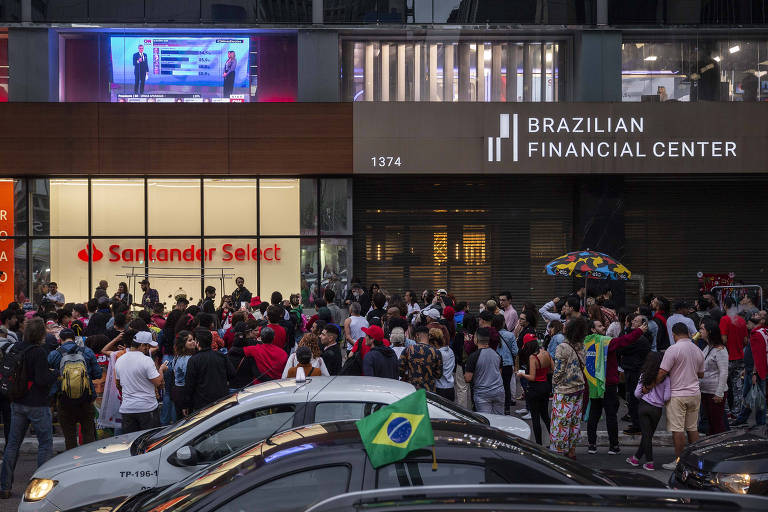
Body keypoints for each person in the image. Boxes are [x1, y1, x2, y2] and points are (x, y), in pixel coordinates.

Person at [0, 317, 57, 499]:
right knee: (45, 444)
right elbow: (41, 380)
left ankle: (5, 486)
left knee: (13, 444)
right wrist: (55, 374)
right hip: (37, 404)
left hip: (17, 401)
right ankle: (40, 487)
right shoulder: (38, 352)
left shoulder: (15, 347)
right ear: (40, 333)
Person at [586, 317, 647, 455]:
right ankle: (613, 446)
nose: (603, 327)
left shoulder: (587, 342)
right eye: (600, 325)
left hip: (594, 384)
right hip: (608, 384)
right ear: (593, 329)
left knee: (594, 415)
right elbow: (623, 341)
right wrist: (639, 331)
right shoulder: (605, 342)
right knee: (611, 415)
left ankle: (592, 445)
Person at [650, 322, 705, 470]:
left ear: (674, 335)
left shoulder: (673, 349)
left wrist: (650, 386)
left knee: (678, 430)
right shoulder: (697, 350)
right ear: (687, 333)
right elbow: (701, 374)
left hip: (678, 395)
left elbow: (662, 372)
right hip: (694, 393)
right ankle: (694, 461)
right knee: (692, 429)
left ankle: (680, 462)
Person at [47, 328, 102, 450]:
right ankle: (88, 463)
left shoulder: (54, 354)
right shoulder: (87, 352)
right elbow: (98, 374)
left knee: (70, 437)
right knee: (88, 435)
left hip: (64, 400)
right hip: (86, 398)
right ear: (75, 338)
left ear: (60, 340)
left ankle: (72, 464)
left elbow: (48, 376)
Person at [114, 331, 166, 433]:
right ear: (142, 345)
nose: (149, 348)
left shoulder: (120, 360)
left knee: (132, 443)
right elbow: (158, 383)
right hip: (147, 408)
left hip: (127, 409)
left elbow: (118, 384)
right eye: (148, 346)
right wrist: (161, 370)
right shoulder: (146, 360)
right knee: (150, 442)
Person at [550, 317, 587, 459]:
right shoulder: (581, 346)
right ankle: (572, 452)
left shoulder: (563, 347)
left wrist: (554, 384)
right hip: (579, 388)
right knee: (574, 422)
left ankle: (558, 454)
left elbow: (558, 370)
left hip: (564, 390)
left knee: (561, 423)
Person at [626, 352, 670, 471]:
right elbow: (667, 397)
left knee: (646, 435)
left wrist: (643, 396)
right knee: (648, 435)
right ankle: (636, 458)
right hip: (657, 410)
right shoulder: (666, 379)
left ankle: (649, 462)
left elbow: (636, 393)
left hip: (644, 406)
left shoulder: (644, 375)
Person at [183, 328, 235, 413]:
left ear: (198, 343)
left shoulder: (194, 360)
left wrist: (186, 404)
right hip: (221, 399)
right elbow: (232, 374)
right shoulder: (221, 356)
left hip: (202, 403)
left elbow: (190, 384)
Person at [734, 314, 766, 427]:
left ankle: (760, 422)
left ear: (753, 323)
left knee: (758, 396)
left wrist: (754, 373)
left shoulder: (756, 334)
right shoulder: (763, 331)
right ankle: (742, 417)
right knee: (748, 394)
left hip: (755, 371)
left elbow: (758, 355)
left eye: (748, 323)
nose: (747, 325)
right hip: (751, 369)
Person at [518, 337, 551, 445]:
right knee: (545, 416)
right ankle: (555, 441)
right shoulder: (546, 353)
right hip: (545, 386)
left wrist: (522, 374)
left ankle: (538, 444)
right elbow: (552, 369)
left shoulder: (533, 357)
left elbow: (532, 377)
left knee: (535, 418)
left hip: (535, 388)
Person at [464, 327, 505, 415]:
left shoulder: (473, 356)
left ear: (476, 339)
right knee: (500, 420)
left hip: (482, 394)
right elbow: (499, 374)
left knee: (487, 421)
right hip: (499, 392)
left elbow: (468, 378)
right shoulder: (497, 355)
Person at [698, 317, 729, 435]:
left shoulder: (720, 350)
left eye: (702, 329)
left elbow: (724, 372)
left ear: (709, 331)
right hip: (705, 391)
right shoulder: (708, 347)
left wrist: (719, 393)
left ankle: (720, 449)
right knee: (710, 423)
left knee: (717, 424)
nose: (700, 331)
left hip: (715, 392)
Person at [720, 297, 748, 419]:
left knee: (724, 386)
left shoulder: (724, 319)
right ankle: (737, 413)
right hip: (740, 358)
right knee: (737, 386)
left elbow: (724, 339)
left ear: (725, 305)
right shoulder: (742, 321)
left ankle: (726, 413)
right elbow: (746, 341)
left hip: (727, 358)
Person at [399, 326, 443, 390]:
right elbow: (439, 375)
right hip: (429, 391)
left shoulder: (408, 350)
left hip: (412, 390)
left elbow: (400, 370)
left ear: (417, 335)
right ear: (428, 336)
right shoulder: (436, 352)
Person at [493, 314, 518, 414]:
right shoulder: (510, 335)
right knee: (506, 386)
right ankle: (507, 408)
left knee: (496, 386)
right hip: (508, 364)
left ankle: (497, 407)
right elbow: (515, 351)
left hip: (495, 364)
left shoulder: (492, 335)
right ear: (503, 323)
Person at [169, 330, 196, 417]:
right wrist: (186, 403)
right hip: (184, 392)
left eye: (193, 339)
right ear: (183, 344)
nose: (193, 342)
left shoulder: (178, 356)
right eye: (190, 340)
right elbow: (189, 380)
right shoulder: (186, 359)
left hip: (178, 391)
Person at [434, 328, 455, 401]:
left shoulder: (437, 353)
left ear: (435, 342)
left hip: (439, 388)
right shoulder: (450, 351)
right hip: (450, 387)